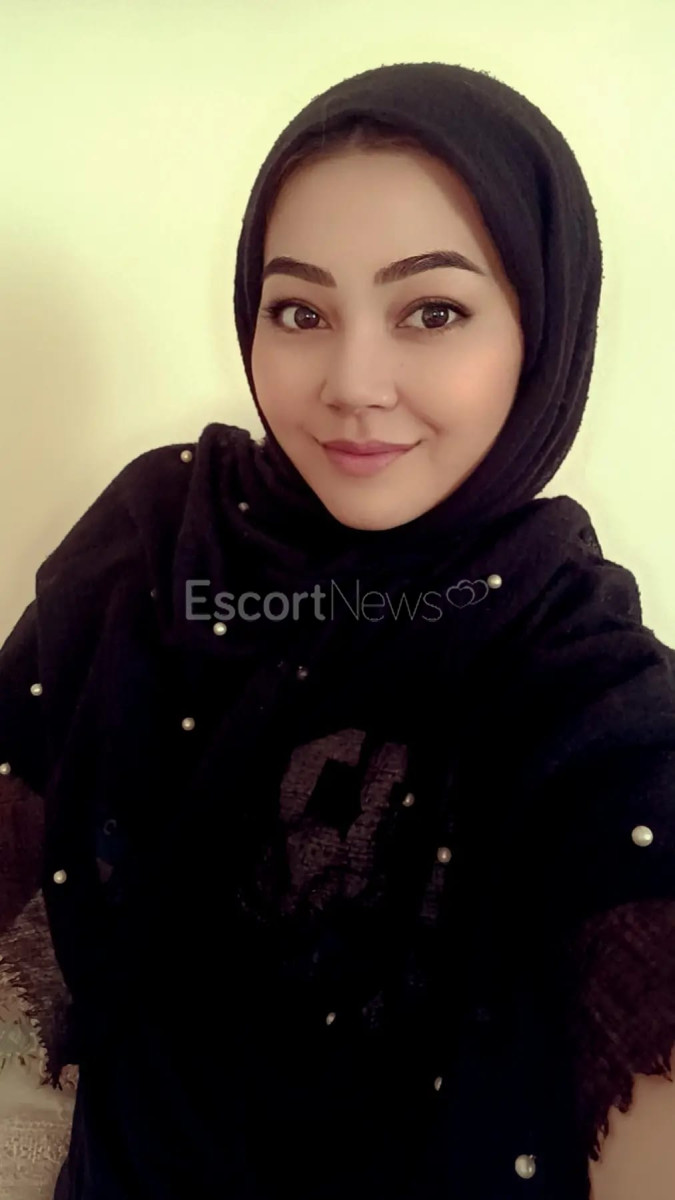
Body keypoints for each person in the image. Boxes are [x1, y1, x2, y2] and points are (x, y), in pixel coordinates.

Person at [1, 60, 675, 1200]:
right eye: (301, 312)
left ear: (543, 328)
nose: (352, 384)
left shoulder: (571, 661)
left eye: (433, 312)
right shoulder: (163, 535)